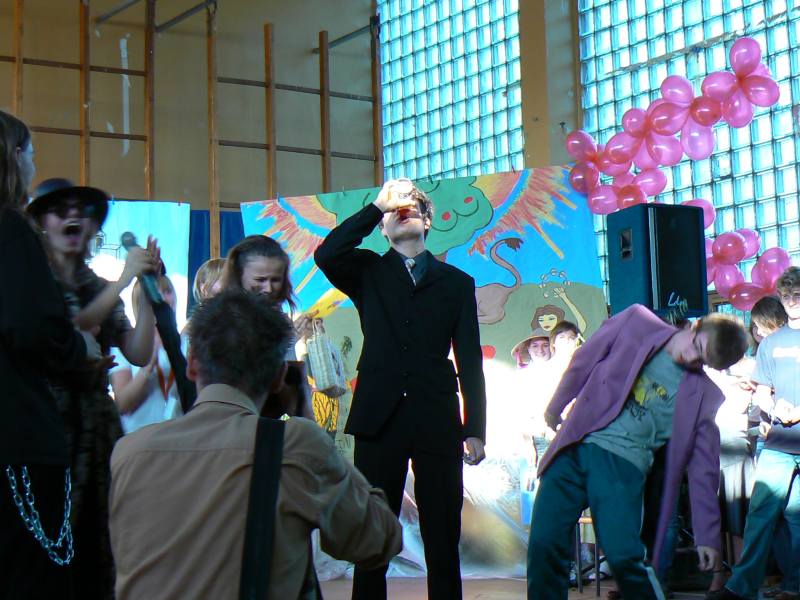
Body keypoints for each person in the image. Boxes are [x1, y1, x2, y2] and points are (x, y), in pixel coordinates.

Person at [109, 288, 403, 599]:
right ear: (279, 377)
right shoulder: (295, 446)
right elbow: (379, 539)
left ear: (192, 363)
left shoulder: (129, 453)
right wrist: (305, 416)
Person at [314, 178, 487, 600]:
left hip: (437, 418)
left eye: (412, 207)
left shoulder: (457, 283)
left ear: (427, 222)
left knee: (442, 532)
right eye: (394, 210)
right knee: (372, 532)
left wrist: (475, 428)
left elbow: (469, 358)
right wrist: (378, 205)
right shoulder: (367, 271)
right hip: (379, 417)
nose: (402, 211)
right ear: (383, 229)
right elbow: (327, 253)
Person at [527, 304, 749, 600]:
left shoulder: (705, 395)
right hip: (576, 445)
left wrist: (707, 535)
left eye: (704, 361)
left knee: (624, 558)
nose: (692, 359)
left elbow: (703, 468)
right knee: (543, 544)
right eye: (696, 347)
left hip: (622, 465)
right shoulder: (637, 321)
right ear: (693, 328)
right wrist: (555, 406)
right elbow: (584, 360)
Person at [27, 177, 160, 599]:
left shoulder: (98, 287)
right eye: (59, 209)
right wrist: (123, 280)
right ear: (41, 223)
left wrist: (145, 294)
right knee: (48, 539)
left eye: (81, 210)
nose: (73, 216)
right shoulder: (32, 282)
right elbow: (66, 330)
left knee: (99, 543)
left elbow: (138, 351)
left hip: (97, 430)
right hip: (47, 428)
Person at [0, 110, 90, 599]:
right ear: (16, 156)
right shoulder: (12, 232)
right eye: (32, 153)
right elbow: (31, 327)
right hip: (19, 439)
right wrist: (78, 347)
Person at [713, 269, 800, 600]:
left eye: (797, 295)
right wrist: (775, 408)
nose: (791, 302)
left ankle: (794, 585)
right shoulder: (772, 343)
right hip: (778, 441)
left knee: (796, 519)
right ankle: (741, 586)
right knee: (761, 512)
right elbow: (762, 390)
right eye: (787, 296)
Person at [222, 235, 315, 417]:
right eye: (260, 280)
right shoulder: (223, 323)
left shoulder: (280, 322)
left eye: (275, 280)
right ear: (239, 276)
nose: (269, 289)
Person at [111, 275, 183, 433]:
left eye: (168, 291)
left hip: (177, 437)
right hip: (138, 437)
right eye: (157, 293)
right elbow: (122, 405)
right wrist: (148, 366)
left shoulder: (185, 343)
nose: (164, 299)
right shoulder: (125, 346)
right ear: (141, 303)